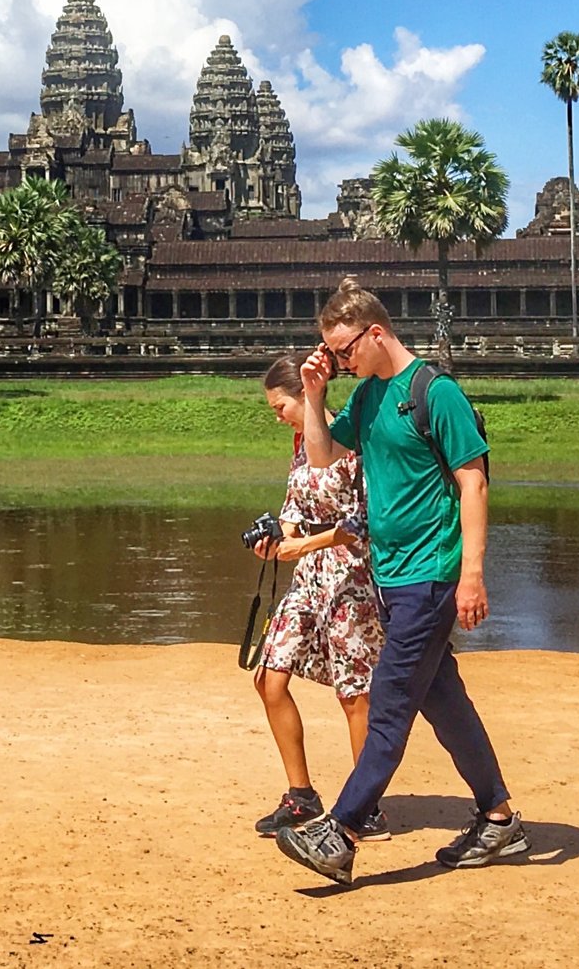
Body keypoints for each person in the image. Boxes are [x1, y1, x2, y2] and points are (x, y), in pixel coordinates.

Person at [275, 277, 524, 885]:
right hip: (390, 575)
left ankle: (343, 829)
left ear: (376, 333)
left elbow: (474, 483)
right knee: (444, 702)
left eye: (344, 350)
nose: (340, 360)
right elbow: (322, 455)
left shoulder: (434, 393)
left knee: (388, 705)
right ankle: (499, 818)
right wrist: (314, 393)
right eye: (333, 354)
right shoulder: (369, 395)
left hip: (432, 573)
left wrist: (472, 576)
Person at [249, 355, 387, 841]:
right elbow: (294, 509)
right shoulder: (299, 444)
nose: (277, 415)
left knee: (355, 695)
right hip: (308, 576)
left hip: (350, 579)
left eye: (279, 405)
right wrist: (276, 536)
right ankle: (301, 797)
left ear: (307, 394)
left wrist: (302, 543)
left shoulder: (352, 443)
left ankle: (365, 806)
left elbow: (362, 524)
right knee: (268, 677)